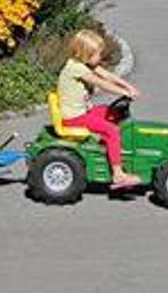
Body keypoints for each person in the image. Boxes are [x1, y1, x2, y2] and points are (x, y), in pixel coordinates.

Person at [55, 28, 143, 191]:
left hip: (82, 112)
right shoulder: (76, 69)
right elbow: (101, 83)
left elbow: (107, 76)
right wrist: (124, 92)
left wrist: (128, 86)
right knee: (111, 130)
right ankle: (118, 174)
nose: (100, 57)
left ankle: (111, 148)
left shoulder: (84, 64)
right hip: (74, 118)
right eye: (98, 54)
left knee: (109, 112)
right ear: (85, 54)